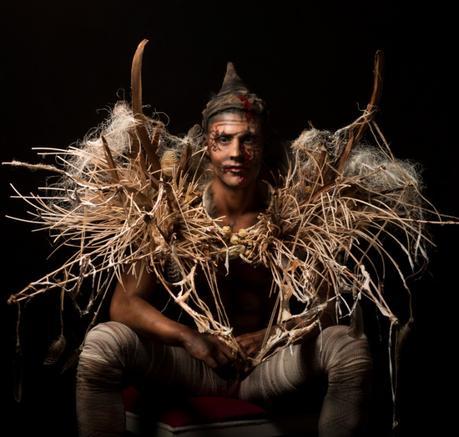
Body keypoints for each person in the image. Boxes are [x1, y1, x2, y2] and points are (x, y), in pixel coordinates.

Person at [76, 62, 373, 437]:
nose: (237, 153)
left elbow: (326, 310)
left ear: (263, 145)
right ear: (207, 144)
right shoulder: (172, 212)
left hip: (265, 365)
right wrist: (189, 338)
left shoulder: (293, 214)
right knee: (103, 342)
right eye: (224, 139)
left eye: (248, 139)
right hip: (198, 364)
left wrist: (272, 335)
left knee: (348, 348)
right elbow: (123, 304)